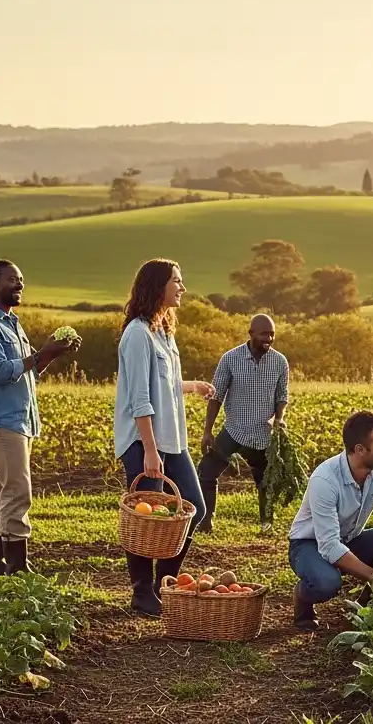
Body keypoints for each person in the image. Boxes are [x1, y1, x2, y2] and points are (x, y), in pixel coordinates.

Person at [0, 259, 80, 576]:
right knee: (18, 490)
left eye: (22, 280)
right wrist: (43, 352)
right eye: (12, 279)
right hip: (1, 420)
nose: (19, 285)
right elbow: (1, 372)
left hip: (20, 419)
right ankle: (17, 565)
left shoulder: (11, 322)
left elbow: (28, 371)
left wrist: (53, 354)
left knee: (1, 488)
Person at [114, 258, 214, 618]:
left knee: (194, 510)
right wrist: (150, 451)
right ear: (157, 285)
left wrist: (192, 386)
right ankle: (142, 591)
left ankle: (164, 582)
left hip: (172, 441)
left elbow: (164, 385)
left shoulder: (164, 332)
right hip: (145, 442)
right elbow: (139, 397)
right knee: (148, 518)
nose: (182, 287)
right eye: (176, 280)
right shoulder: (138, 334)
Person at [287, 410, 373, 631]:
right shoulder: (324, 480)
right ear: (360, 450)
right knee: (327, 583)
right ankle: (303, 597)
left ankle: (367, 604)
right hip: (309, 545)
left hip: (350, 539)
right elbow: (329, 546)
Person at [196, 314, 290, 535]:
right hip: (234, 429)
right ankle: (206, 522)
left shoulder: (280, 362)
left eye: (272, 334)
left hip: (262, 434)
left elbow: (282, 396)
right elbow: (216, 396)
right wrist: (207, 431)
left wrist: (279, 418)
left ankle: (266, 525)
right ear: (251, 334)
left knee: (265, 480)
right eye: (264, 333)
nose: (269, 338)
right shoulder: (230, 358)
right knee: (207, 472)